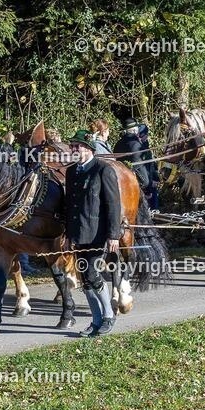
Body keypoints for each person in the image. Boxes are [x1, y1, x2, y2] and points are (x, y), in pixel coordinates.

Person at [65, 129, 123, 337]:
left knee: (92, 273)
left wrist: (114, 235)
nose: (73, 149)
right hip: (78, 234)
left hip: (98, 234)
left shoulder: (103, 170)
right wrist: (67, 235)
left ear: (88, 149)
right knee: (84, 278)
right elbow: (69, 206)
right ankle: (96, 320)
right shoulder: (72, 172)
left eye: (77, 146)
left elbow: (113, 205)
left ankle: (108, 316)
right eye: (72, 146)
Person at [115, 117, 152, 190]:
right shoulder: (136, 144)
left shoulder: (118, 143)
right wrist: (148, 184)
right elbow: (139, 167)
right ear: (135, 130)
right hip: (136, 185)